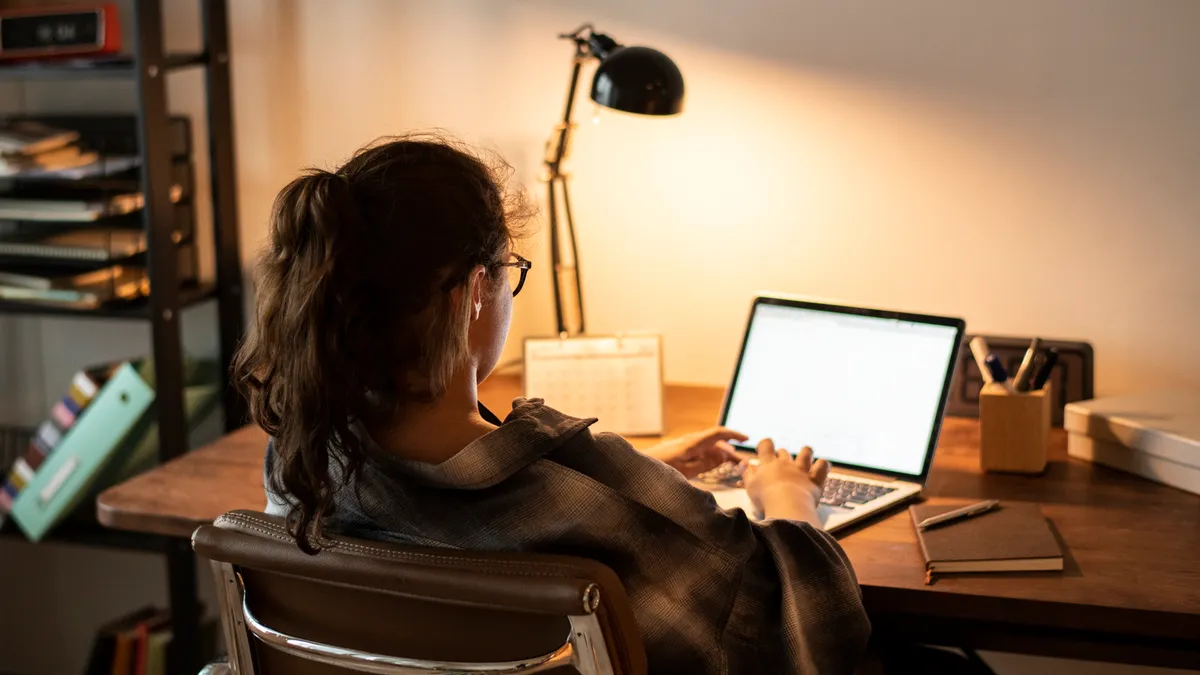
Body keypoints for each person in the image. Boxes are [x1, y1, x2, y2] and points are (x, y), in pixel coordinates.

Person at [234, 135, 870, 674]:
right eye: (509, 269)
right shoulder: (588, 493)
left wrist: (639, 471)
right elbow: (805, 620)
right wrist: (789, 495)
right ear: (470, 295)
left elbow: (464, 508)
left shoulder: (301, 464)